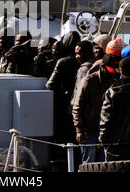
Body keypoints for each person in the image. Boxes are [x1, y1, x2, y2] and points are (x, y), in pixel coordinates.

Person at [73, 54, 119, 164]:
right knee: (88, 164)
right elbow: (77, 106)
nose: (111, 73)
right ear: (102, 66)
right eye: (109, 70)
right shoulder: (88, 81)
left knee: (103, 164)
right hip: (88, 131)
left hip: (105, 131)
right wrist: (79, 129)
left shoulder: (113, 81)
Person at [46, 31, 81, 165]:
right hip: (80, 104)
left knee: (64, 138)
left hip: (64, 106)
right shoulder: (84, 61)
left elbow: (50, 85)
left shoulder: (62, 62)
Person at [71, 40, 95, 106]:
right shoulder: (96, 64)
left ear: (87, 53)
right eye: (76, 53)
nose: (76, 56)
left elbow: (80, 92)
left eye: (79, 53)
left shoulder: (84, 69)